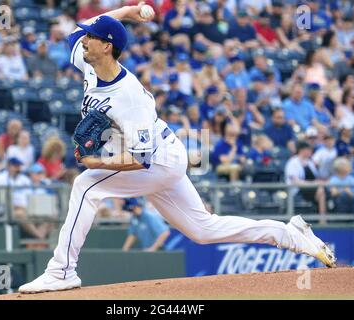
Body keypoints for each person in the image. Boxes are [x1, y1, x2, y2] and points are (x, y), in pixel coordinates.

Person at [18, 4, 336, 293]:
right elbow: (76, 31)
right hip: (162, 156)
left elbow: (141, 160)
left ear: (106, 46)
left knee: (86, 186)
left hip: (157, 161)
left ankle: (61, 271)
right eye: (87, 36)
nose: (84, 39)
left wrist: (97, 162)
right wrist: (129, 10)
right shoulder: (90, 62)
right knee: (204, 229)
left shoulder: (129, 97)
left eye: (92, 37)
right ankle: (291, 235)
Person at [284, 141, 327, 221]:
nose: (311, 152)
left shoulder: (310, 162)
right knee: (321, 191)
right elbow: (295, 181)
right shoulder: (293, 162)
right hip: (298, 189)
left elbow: (315, 177)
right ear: (302, 150)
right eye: (309, 150)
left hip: (312, 188)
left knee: (326, 189)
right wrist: (313, 183)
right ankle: (322, 220)